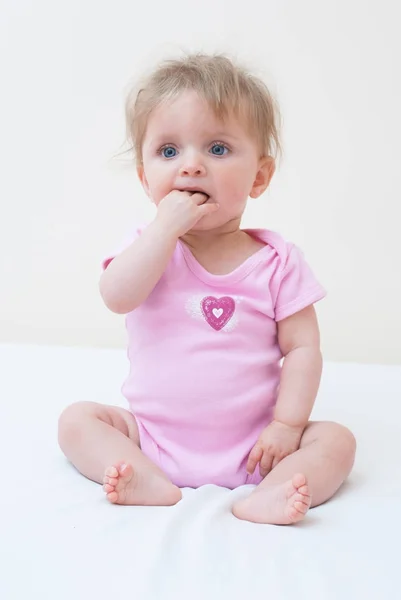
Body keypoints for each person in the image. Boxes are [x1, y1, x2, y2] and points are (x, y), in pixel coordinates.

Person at [58, 53, 356, 525]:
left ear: (259, 176)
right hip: (154, 439)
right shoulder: (147, 248)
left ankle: (273, 494)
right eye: (169, 152)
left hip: (258, 446)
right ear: (145, 178)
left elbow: (303, 349)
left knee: (337, 441)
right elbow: (117, 296)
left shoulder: (276, 262)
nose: (191, 167)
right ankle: (143, 477)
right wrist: (164, 232)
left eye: (217, 149)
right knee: (76, 421)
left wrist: (287, 426)